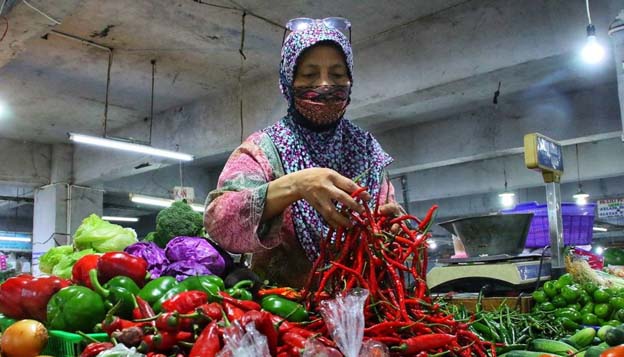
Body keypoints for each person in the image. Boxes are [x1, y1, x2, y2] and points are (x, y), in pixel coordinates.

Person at [205, 18, 403, 287]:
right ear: (289, 81)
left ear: (350, 79)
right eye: (309, 75)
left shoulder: (367, 150)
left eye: (336, 74)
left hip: (363, 312)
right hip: (285, 315)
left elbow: (385, 223)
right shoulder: (263, 149)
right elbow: (221, 225)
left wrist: (394, 230)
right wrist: (295, 185)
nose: (324, 85)